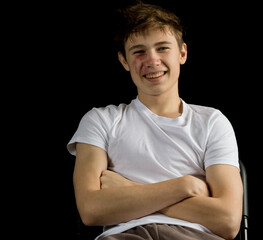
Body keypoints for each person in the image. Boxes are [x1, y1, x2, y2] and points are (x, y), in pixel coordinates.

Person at [67, 2, 243, 240]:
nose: (152, 60)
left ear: (182, 53)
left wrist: (129, 191)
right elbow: (91, 210)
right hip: (125, 236)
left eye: (162, 48)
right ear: (124, 61)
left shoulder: (212, 122)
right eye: (139, 51)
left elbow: (228, 221)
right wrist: (184, 187)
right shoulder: (100, 121)